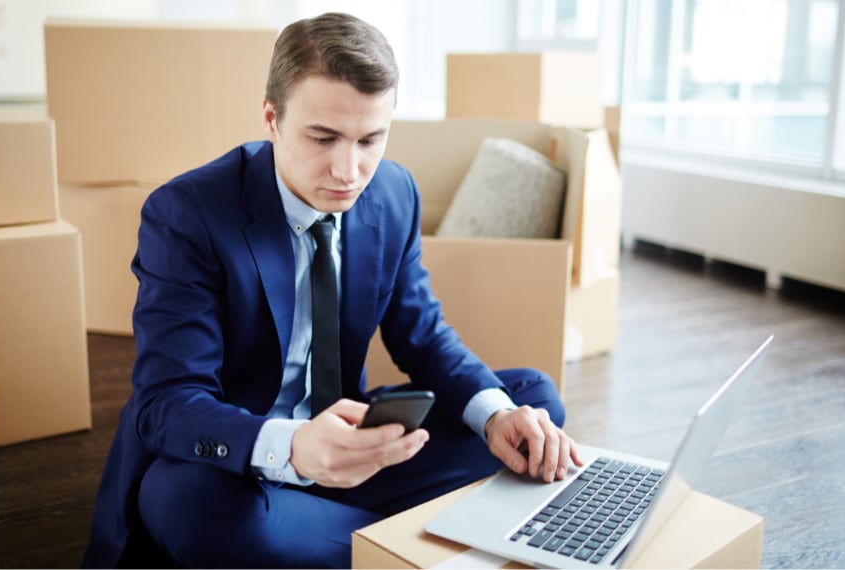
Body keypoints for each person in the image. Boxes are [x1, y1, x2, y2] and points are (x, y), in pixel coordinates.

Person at [82, 11, 581, 569]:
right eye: (323, 138)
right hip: (244, 463)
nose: (350, 170)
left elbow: (422, 336)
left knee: (530, 403)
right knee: (189, 506)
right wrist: (293, 448)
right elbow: (167, 402)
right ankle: (401, 542)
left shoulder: (393, 193)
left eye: (372, 139)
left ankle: (343, 541)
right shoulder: (187, 213)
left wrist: (493, 415)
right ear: (272, 119)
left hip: (350, 449)